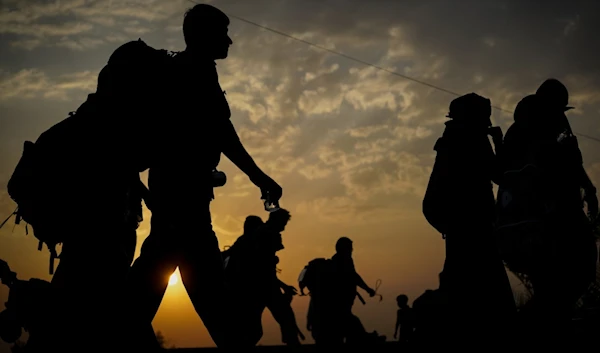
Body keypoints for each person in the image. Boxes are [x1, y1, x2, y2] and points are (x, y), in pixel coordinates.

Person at [125, 4, 283, 350]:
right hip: (183, 194)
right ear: (203, 36)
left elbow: (219, 132)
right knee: (198, 283)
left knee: (165, 274)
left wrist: (260, 178)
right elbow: (223, 134)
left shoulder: (195, 71)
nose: (229, 40)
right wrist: (260, 178)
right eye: (222, 33)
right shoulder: (192, 73)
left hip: (178, 192)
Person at [423, 93, 516, 348]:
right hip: (475, 226)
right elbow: (499, 175)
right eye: (485, 114)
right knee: (489, 294)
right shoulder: (472, 138)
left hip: (457, 227)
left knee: (460, 290)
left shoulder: (450, 140)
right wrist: (499, 142)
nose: (487, 119)